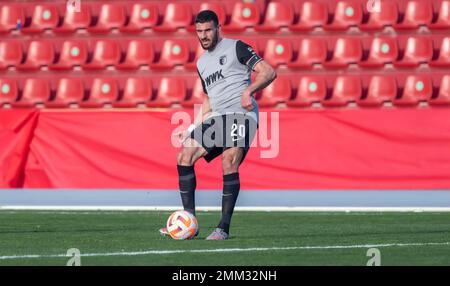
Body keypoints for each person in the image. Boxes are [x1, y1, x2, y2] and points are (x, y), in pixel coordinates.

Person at [160, 10, 277, 240]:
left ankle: (222, 228)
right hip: (217, 118)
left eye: (208, 30)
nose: (203, 36)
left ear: (218, 28)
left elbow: (269, 72)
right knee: (184, 156)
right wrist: (194, 127)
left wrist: (249, 91)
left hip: (241, 115)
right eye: (199, 32)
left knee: (228, 160)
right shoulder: (202, 63)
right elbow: (208, 99)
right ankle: (188, 222)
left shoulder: (237, 47)